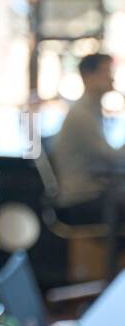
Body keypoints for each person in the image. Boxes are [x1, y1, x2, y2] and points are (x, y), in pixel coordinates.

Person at [51, 53, 125, 225]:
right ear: (88, 76)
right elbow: (111, 160)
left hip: (91, 194)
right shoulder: (82, 115)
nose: (112, 78)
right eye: (106, 72)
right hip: (80, 200)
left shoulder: (91, 111)